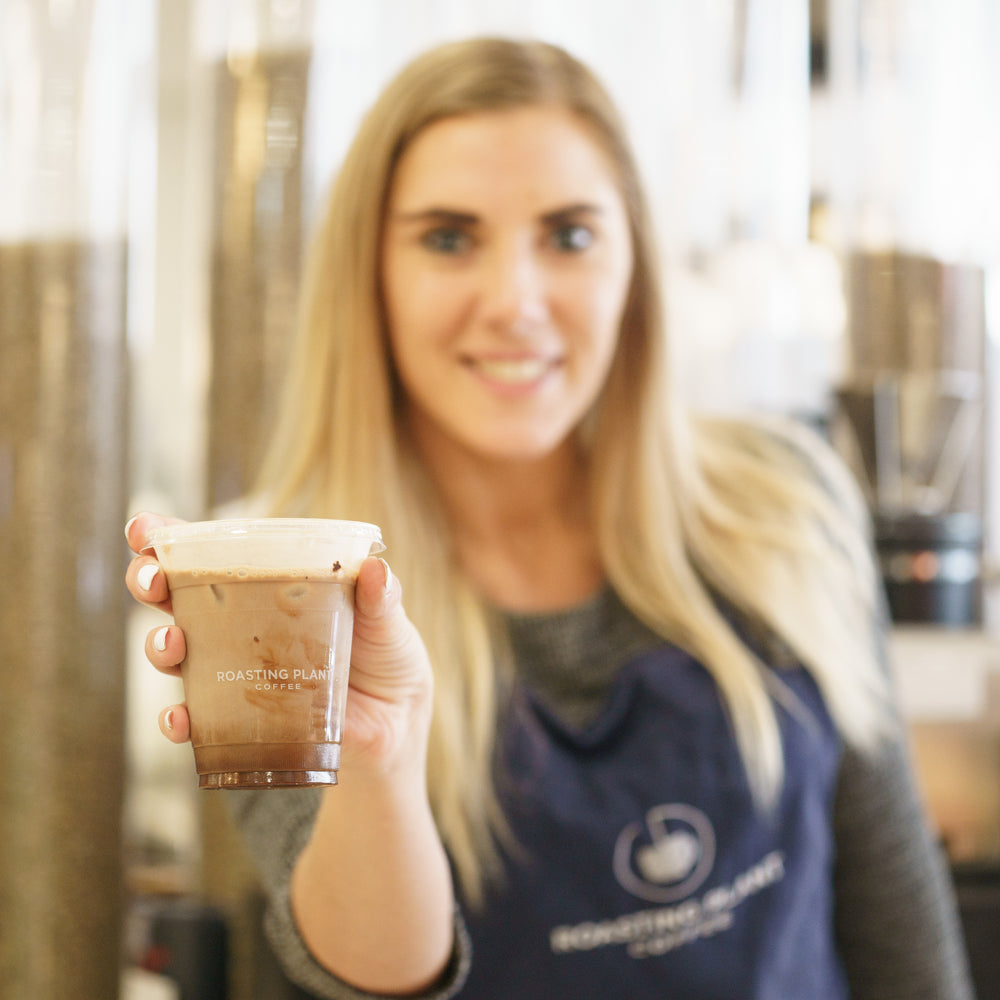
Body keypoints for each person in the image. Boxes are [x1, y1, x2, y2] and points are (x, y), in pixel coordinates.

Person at [126, 36, 975, 1000]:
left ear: (634, 268)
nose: (516, 304)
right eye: (449, 238)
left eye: (568, 236)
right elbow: (368, 981)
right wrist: (380, 756)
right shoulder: (283, 579)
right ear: (369, 276)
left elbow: (899, 927)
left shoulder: (782, 504)